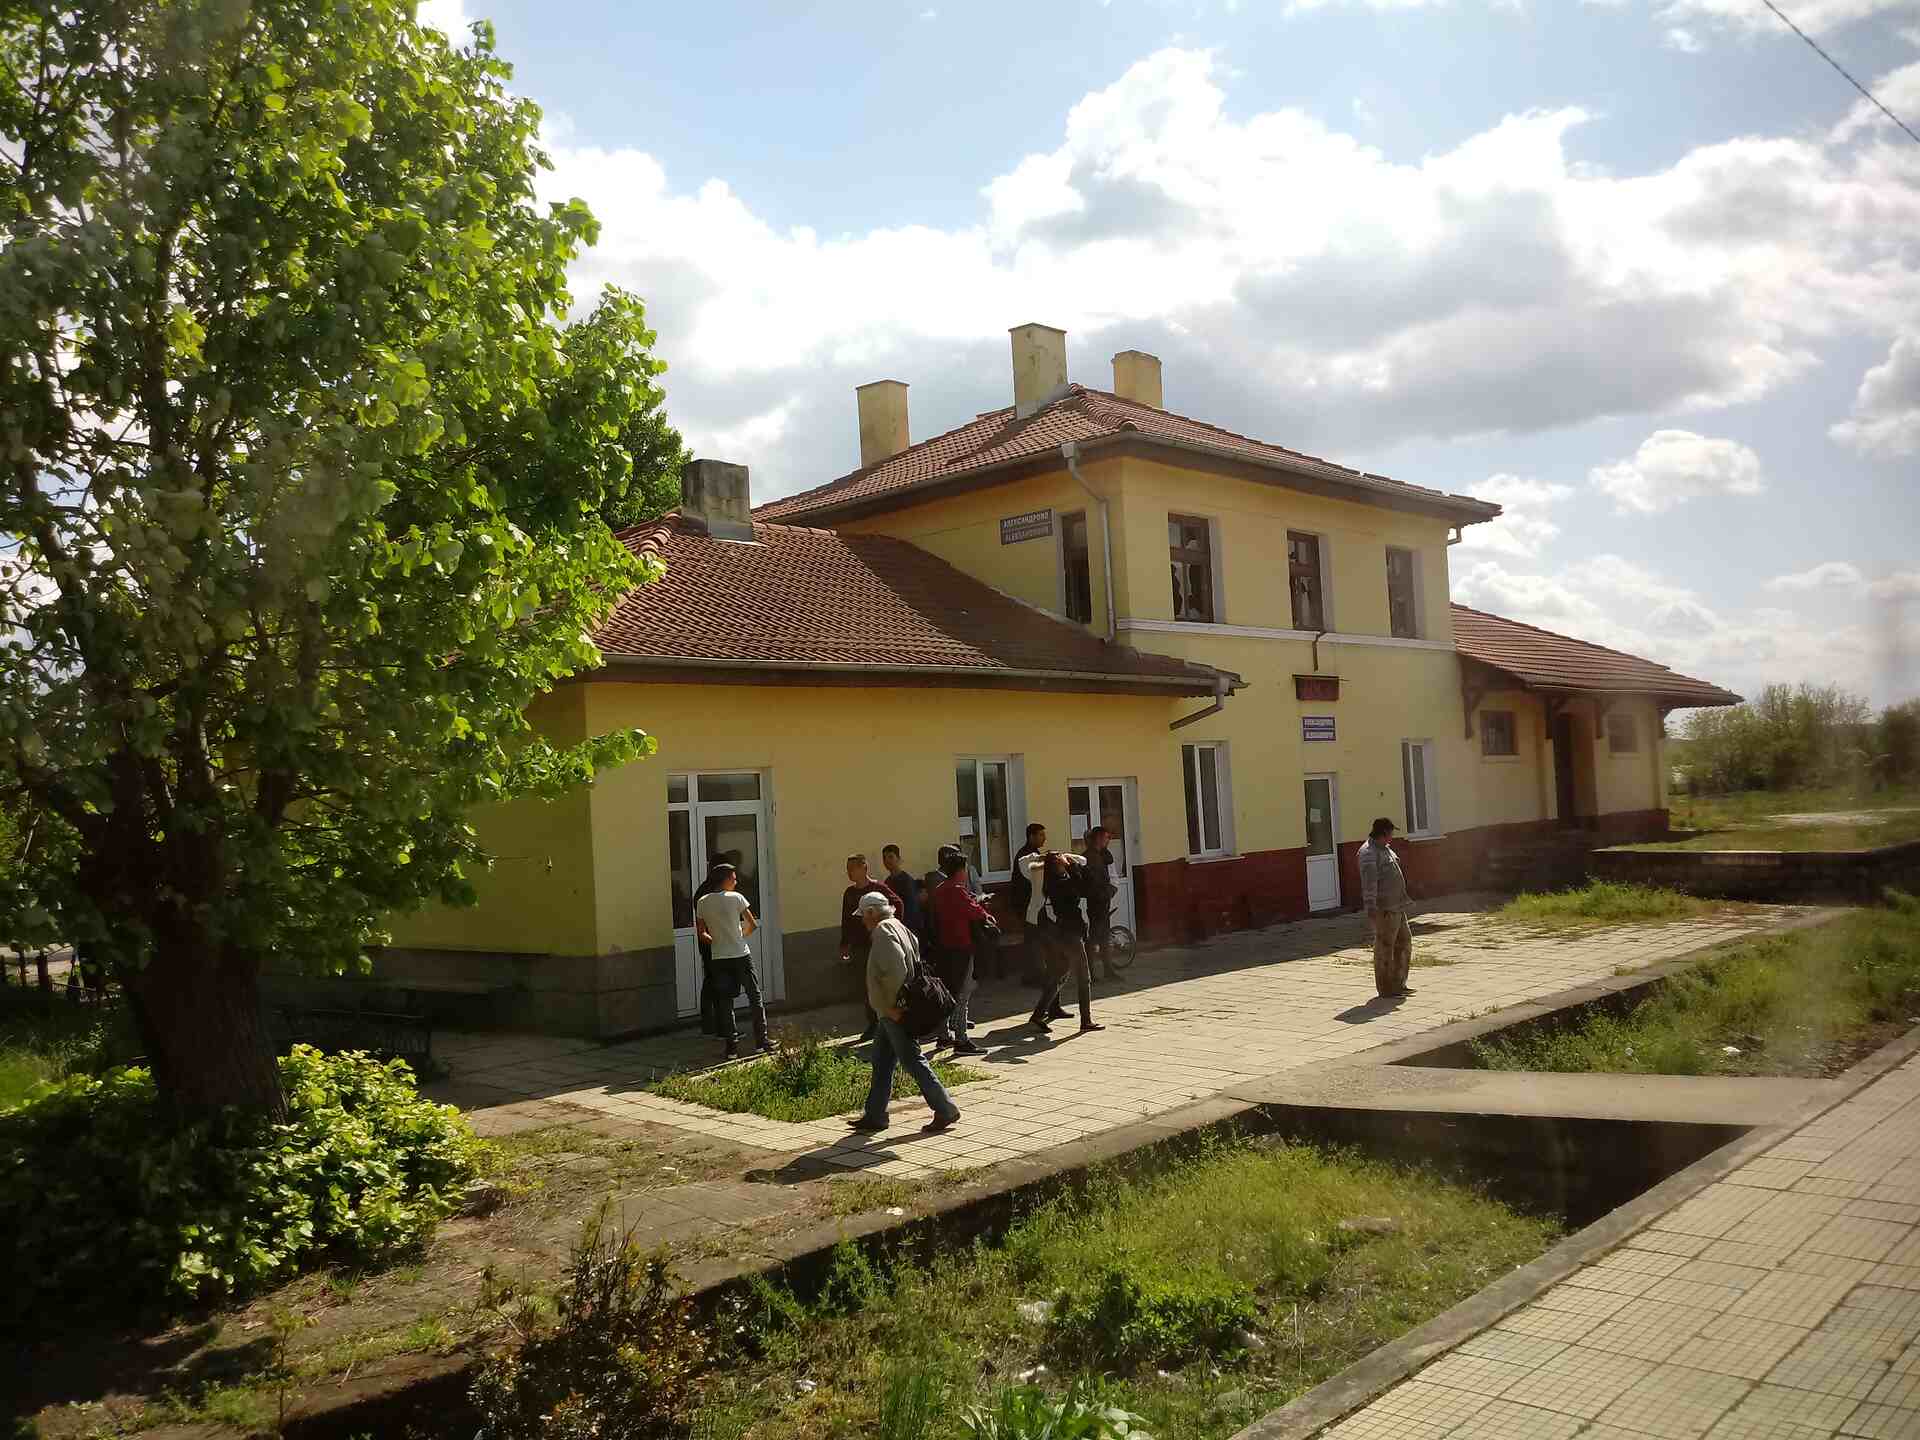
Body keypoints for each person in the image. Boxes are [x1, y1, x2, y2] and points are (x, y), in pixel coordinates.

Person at [847, 891, 962, 1135]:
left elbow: (896, 970)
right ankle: (875, 1115)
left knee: (912, 1060)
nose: (862, 920)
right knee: (882, 1061)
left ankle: (945, 1109)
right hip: (889, 1010)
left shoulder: (883, 931)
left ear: (871, 912)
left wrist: (893, 1008)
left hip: (892, 1010)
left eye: (863, 915)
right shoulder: (898, 925)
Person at [1020, 846, 1104, 1034]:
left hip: (1062, 933)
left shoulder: (1054, 880)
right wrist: (1071, 865)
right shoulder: (1060, 882)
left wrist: (1068, 862)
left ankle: (1038, 1015)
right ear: (1055, 864)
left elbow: (1083, 878)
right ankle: (1086, 1020)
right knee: (1084, 977)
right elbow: (1084, 887)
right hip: (1070, 934)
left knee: (1059, 974)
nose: (1063, 858)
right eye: (1059, 857)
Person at [693, 863, 770, 1057]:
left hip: (719, 957)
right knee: (755, 997)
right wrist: (739, 937)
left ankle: (731, 1048)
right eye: (734, 878)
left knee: (725, 1002)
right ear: (726, 879)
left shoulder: (702, 901)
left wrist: (717, 942)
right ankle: (761, 1042)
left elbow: (701, 933)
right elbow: (752, 924)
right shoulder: (736, 898)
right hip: (740, 954)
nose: (736, 882)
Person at [929, 847, 996, 1055]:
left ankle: (943, 1036)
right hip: (961, 946)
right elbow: (972, 911)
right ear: (960, 870)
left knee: (947, 991)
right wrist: (985, 913)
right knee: (963, 993)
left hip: (944, 946)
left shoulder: (940, 889)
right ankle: (961, 1039)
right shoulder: (956, 890)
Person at [840, 855, 900, 1041]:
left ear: (864, 868)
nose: (849, 872)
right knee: (866, 986)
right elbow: (846, 919)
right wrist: (845, 943)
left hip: (878, 944)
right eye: (847, 869)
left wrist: (890, 927)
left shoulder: (878, 889)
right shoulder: (849, 893)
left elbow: (897, 904)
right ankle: (873, 1024)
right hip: (860, 946)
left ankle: (888, 1023)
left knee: (883, 984)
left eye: (852, 868)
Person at [1359, 817, 1414, 999]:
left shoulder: (1386, 849)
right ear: (1383, 833)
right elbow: (1369, 883)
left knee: (1404, 941)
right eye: (1390, 833)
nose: (1392, 837)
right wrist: (1371, 906)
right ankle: (1386, 989)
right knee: (1385, 948)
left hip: (1397, 905)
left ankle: (1399, 983)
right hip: (1384, 909)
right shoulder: (1368, 853)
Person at [1081, 825, 1118, 981]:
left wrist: (1108, 893)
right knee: (1094, 939)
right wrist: (1105, 894)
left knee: (1102, 937)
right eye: (1106, 837)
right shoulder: (1090, 857)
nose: (1108, 840)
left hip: (1100, 902)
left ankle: (1107, 970)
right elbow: (1092, 883)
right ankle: (1091, 973)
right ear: (1099, 838)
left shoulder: (1099, 855)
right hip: (1097, 903)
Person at [881, 844, 923, 936]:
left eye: (890, 857)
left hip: (908, 929)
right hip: (893, 928)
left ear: (898, 859)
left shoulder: (907, 881)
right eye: (884, 858)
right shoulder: (887, 882)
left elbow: (912, 909)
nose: (887, 860)